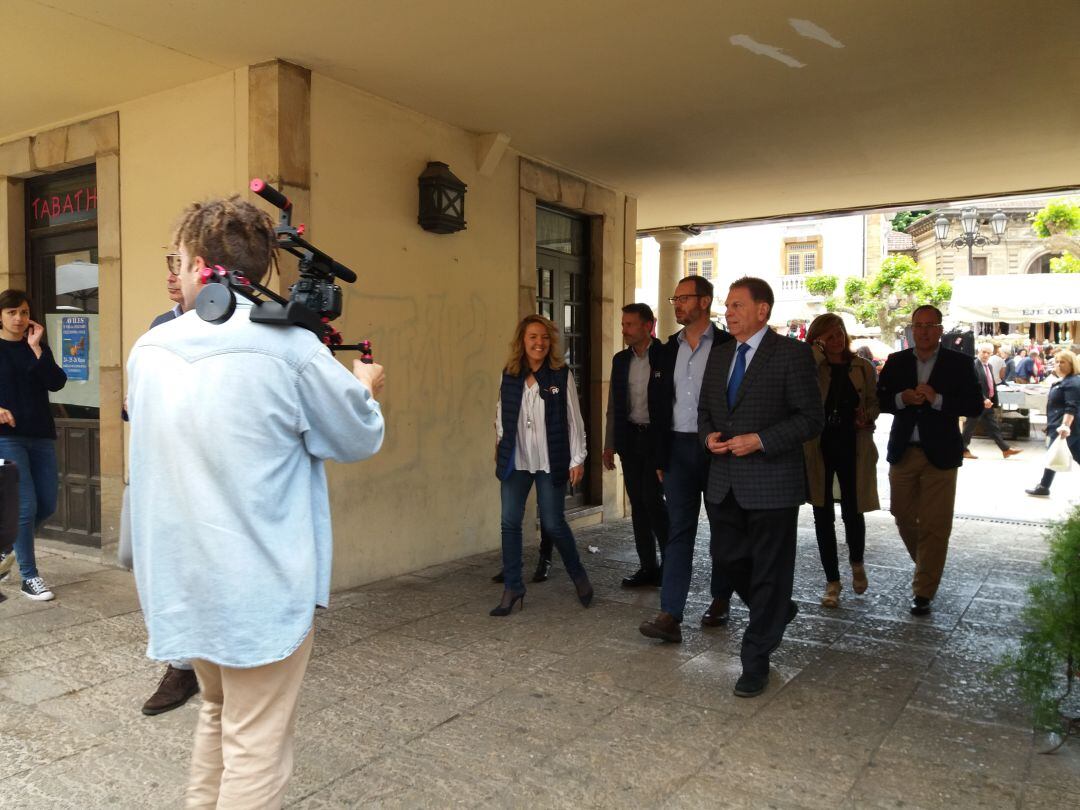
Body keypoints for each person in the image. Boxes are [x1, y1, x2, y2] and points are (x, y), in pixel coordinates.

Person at [127, 196, 385, 807]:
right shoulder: (292, 352)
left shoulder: (149, 352)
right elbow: (358, 437)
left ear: (200, 267)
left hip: (183, 582)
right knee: (256, 744)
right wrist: (364, 388)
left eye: (178, 260)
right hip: (257, 592)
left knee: (217, 714)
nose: (177, 273)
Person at [698, 277, 823, 697]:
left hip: (772, 484)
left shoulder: (791, 354)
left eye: (736, 305)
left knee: (770, 571)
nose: (728, 313)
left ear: (762, 310)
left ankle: (755, 660)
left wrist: (762, 440)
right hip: (723, 483)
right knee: (726, 559)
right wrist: (709, 437)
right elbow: (705, 413)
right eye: (727, 306)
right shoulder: (718, 357)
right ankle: (776, 612)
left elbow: (810, 418)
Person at [639, 275, 735, 644]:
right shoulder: (666, 350)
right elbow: (657, 405)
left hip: (716, 448)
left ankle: (721, 598)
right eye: (674, 298)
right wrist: (660, 456)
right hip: (677, 450)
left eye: (684, 298)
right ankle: (670, 614)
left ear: (705, 301)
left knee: (722, 529)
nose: (677, 304)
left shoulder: (728, 345)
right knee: (679, 530)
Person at [877, 305, 983, 617]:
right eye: (918, 325)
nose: (923, 331)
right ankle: (928, 565)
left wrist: (936, 399)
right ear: (911, 329)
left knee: (936, 525)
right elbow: (880, 399)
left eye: (930, 325)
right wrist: (902, 398)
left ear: (940, 330)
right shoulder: (896, 363)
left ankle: (923, 591)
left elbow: (975, 405)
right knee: (902, 515)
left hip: (941, 454)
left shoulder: (959, 364)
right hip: (903, 452)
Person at [493, 314, 593, 616]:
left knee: (553, 522)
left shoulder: (561, 375)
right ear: (522, 341)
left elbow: (574, 419)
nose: (539, 343)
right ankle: (513, 587)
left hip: (551, 459)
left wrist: (578, 458)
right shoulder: (509, 374)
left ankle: (578, 575)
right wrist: (500, 444)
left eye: (545, 338)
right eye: (533, 337)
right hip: (518, 458)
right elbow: (500, 413)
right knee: (509, 522)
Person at [139, 258, 199, 717]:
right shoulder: (159, 328)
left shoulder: (225, 325)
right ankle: (181, 665)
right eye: (168, 268)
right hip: (168, 465)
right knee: (174, 563)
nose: (170, 277)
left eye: (177, 267)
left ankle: (213, 658)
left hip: (209, 464)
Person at [803, 314, 879, 609]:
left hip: (853, 444)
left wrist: (867, 415)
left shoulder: (862, 367)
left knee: (853, 509)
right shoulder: (813, 367)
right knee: (822, 515)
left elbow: (874, 401)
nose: (834, 341)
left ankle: (856, 561)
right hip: (820, 446)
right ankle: (832, 580)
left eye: (838, 335)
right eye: (826, 337)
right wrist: (815, 352)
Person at [0, 289, 67, 601]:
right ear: (0, 316)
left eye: (24, 312)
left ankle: (5, 549)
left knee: (47, 504)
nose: (18, 318)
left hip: (41, 434)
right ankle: (29, 576)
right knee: (25, 505)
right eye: (12, 312)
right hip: (7, 437)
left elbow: (56, 382)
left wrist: (37, 348)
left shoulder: (36, 348)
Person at [602, 303, 668, 587]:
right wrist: (609, 444)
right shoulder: (620, 360)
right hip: (630, 440)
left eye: (630, 324)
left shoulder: (666, 356)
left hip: (656, 440)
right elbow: (613, 406)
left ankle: (671, 565)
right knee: (637, 504)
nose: (624, 330)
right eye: (623, 324)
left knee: (653, 502)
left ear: (648, 326)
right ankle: (647, 568)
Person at [1026, 349, 1079, 497]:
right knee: (1053, 454)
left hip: (1069, 429)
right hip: (1060, 427)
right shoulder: (1065, 381)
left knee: (1060, 454)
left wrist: (1065, 426)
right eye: (1057, 362)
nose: (1058, 365)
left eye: (1063, 362)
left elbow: (1071, 407)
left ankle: (1044, 486)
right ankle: (1044, 486)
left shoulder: (1072, 382)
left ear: (1072, 364)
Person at [961, 342, 1022, 461]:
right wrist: (984, 399)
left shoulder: (989, 366)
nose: (985, 355)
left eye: (988, 353)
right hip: (976, 402)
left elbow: (991, 383)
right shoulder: (973, 365)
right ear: (978, 351)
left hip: (987, 403)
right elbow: (972, 386)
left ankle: (1005, 449)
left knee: (993, 427)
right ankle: (962, 449)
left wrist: (993, 399)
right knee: (970, 427)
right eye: (983, 352)